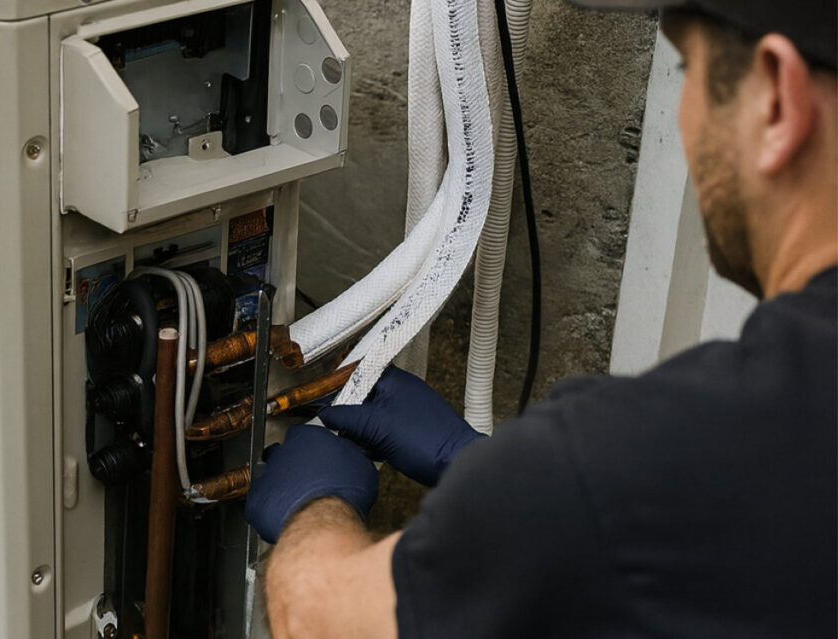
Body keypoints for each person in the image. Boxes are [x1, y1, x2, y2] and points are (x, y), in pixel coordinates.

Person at [244, 0, 837, 636]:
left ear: (776, 100)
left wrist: (313, 509)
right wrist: (488, 472)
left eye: (690, 68)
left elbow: (320, 617)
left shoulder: (673, 447)